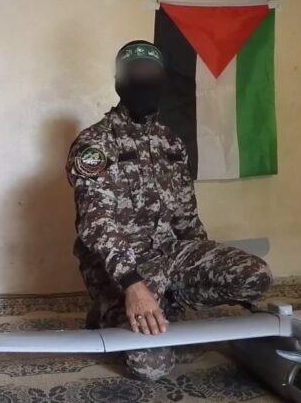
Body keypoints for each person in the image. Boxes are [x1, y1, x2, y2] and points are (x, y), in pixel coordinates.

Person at [65, 40, 273, 381]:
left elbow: (187, 219)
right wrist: (134, 286)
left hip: (171, 254)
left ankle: (168, 300)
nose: (144, 80)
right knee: (152, 367)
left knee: (255, 276)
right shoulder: (95, 144)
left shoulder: (171, 143)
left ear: (163, 79)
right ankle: (108, 310)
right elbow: (96, 225)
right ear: (119, 81)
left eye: (152, 72)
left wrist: (202, 266)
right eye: (135, 73)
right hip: (124, 268)